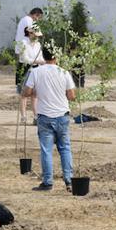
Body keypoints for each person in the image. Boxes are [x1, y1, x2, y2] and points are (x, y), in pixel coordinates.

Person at [23, 47, 77, 191]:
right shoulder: (64, 72)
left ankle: (48, 182)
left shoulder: (36, 72)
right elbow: (72, 96)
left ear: (43, 56)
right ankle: (69, 181)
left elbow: (26, 92)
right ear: (56, 57)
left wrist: (38, 90)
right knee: (65, 148)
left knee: (46, 150)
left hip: (44, 116)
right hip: (62, 115)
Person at [16, 22, 45, 123]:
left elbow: (40, 56)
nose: (37, 37)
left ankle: (36, 116)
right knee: (24, 94)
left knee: (35, 94)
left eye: (38, 36)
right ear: (30, 33)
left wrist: (42, 62)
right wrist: (38, 61)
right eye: (35, 35)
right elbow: (25, 58)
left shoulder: (38, 44)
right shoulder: (23, 43)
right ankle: (23, 117)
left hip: (36, 70)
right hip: (24, 69)